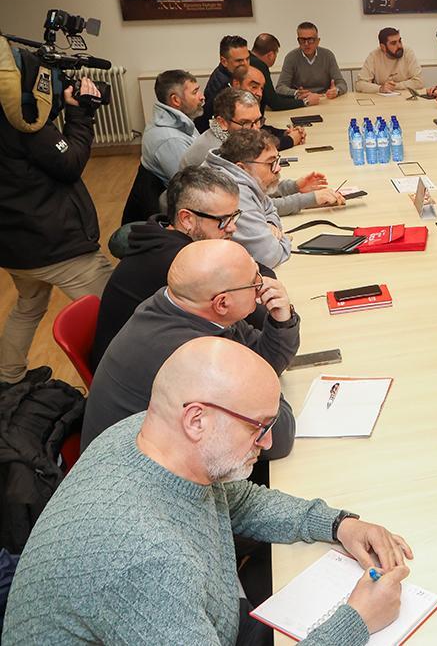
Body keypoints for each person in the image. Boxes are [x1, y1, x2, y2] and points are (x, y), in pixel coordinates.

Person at [7, 338, 411, 645]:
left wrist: (338, 524)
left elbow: (235, 500)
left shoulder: (143, 434)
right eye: (259, 427)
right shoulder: (147, 561)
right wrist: (356, 622)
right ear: (196, 420)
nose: (267, 443)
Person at [82, 239, 301, 454]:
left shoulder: (187, 306)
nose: (262, 286)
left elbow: (267, 359)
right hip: (135, 480)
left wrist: (281, 321)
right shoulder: (193, 356)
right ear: (222, 303)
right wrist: (264, 385)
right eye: (255, 282)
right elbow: (276, 439)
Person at [0, 75, 112, 385]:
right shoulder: (23, 124)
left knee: (28, 306)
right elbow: (69, 162)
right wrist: (80, 115)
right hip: (57, 246)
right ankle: (118, 386)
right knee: (116, 310)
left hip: (14, 245)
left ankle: (8, 379)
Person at [90, 166, 241, 370]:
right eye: (224, 221)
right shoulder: (180, 262)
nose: (233, 227)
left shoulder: (163, 235)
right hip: (137, 381)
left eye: (235, 216)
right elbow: (249, 315)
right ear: (187, 219)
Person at [186, 89, 342, 220]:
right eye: (246, 123)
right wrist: (311, 199)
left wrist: (294, 187)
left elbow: (255, 188)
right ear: (222, 122)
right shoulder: (217, 153)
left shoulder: (232, 139)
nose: (255, 130)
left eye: (258, 121)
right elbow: (253, 206)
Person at [203, 128, 297, 268]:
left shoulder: (240, 176)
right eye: (270, 163)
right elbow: (269, 256)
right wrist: (283, 238)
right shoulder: (234, 191)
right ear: (242, 168)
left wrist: (270, 223)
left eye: (277, 161)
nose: (278, 169)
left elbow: (269, 207)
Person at [141, 69, 204, 185]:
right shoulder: (171, 140)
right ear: (175, 100)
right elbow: (191, 186)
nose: (202, 97)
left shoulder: (182, 121)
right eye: (195, 92)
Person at [279, 22, 346, 100]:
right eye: (302, 40)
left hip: (324, 99)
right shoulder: (291, 57)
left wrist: (336, 91)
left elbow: (342, 83)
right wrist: (296, 93)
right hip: (301, 100)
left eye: (310, 39)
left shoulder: (327, 55)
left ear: (318, 41)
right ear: (298, 40)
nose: (306, 44)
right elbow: (280, 87)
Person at [198, 35, 250, 132]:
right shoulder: (223, 87)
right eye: (239, 61)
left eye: (247, 59)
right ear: (224, 61)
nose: (245, 64)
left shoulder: (232, 75)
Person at [249, 32, 314, 109]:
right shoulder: (260, 65)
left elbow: (270, 95)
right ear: (271, 55)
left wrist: (296, 96)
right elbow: (274, 103)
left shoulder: (249, 59)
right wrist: (305, 101)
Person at [355, 27, 424, 94]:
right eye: (393, 43)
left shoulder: (408, 53)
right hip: (382, 101)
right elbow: (360, 84)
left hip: (406, 98)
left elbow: (419, 82)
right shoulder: (374, 56)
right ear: (383, 47)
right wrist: (380, 88)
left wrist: (395, 86)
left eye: (399, 41)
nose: (399, 46)